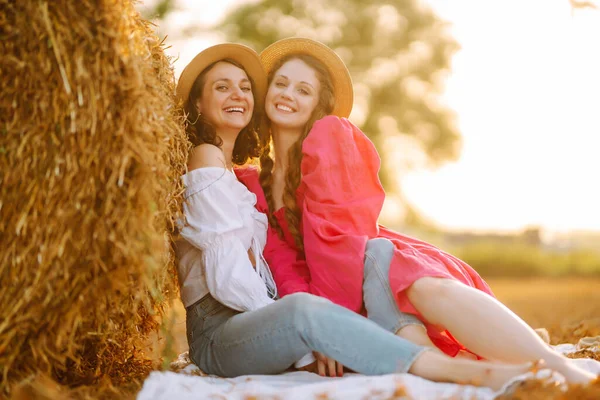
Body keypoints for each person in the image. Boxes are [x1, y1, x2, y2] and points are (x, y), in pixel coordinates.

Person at [172, 43, 535, 389]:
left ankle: (463, 359)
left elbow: (323, 248)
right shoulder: (218, 165)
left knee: (374, 267)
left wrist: (318, 325)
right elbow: (235, 277)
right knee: (304, 311)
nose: (239, 95)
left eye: (245, 87)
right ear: (199, 104)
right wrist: (309, 333)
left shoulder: (242, 176)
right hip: (224, 327)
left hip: (290, 303)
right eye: (222, 87)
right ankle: (457, 370)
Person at [251, 37, 596, 384]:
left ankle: (560, 368)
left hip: (366, 260)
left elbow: (340, 239)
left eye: (302, 90)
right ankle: (515, 363)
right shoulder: (256, 184)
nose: (287, 94)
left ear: (317, 105)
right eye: (280, 84)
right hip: (337, 298)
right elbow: (283, 267)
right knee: (426, 356)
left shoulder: (329, 134)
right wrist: (316, 325)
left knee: (425, 289)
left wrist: (328, 322)